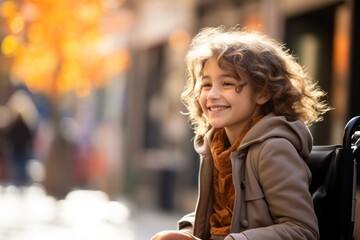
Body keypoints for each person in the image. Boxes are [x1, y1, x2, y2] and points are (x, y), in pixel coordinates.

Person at [151, 26, 331, 240]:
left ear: (262, 92)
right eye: (206, 84)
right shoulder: (216, 145)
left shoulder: (273, 149)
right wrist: (187, 233)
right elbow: (220, 216)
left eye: (227, 83)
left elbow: (303, 231)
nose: (212, 94)